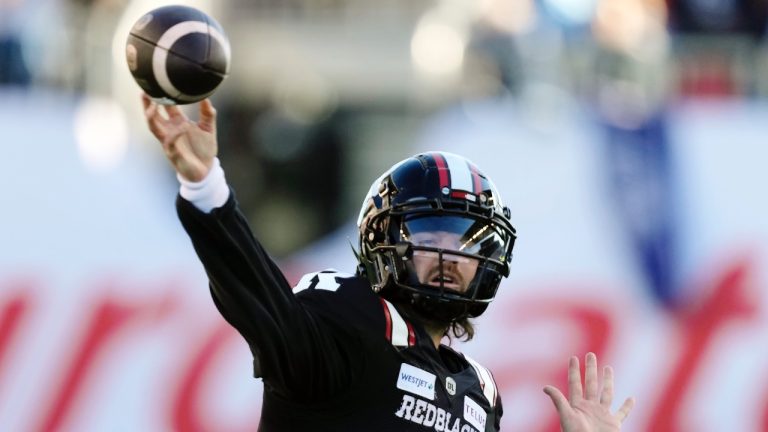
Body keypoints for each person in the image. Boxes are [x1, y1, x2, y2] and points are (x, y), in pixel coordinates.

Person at [141, 94, 635, 432]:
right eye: (429, 235)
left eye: (466, 242)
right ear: (384, 245)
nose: (449, 256)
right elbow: (259, 297)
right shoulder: (350, 325)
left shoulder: (479, 395)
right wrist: (207, 187)